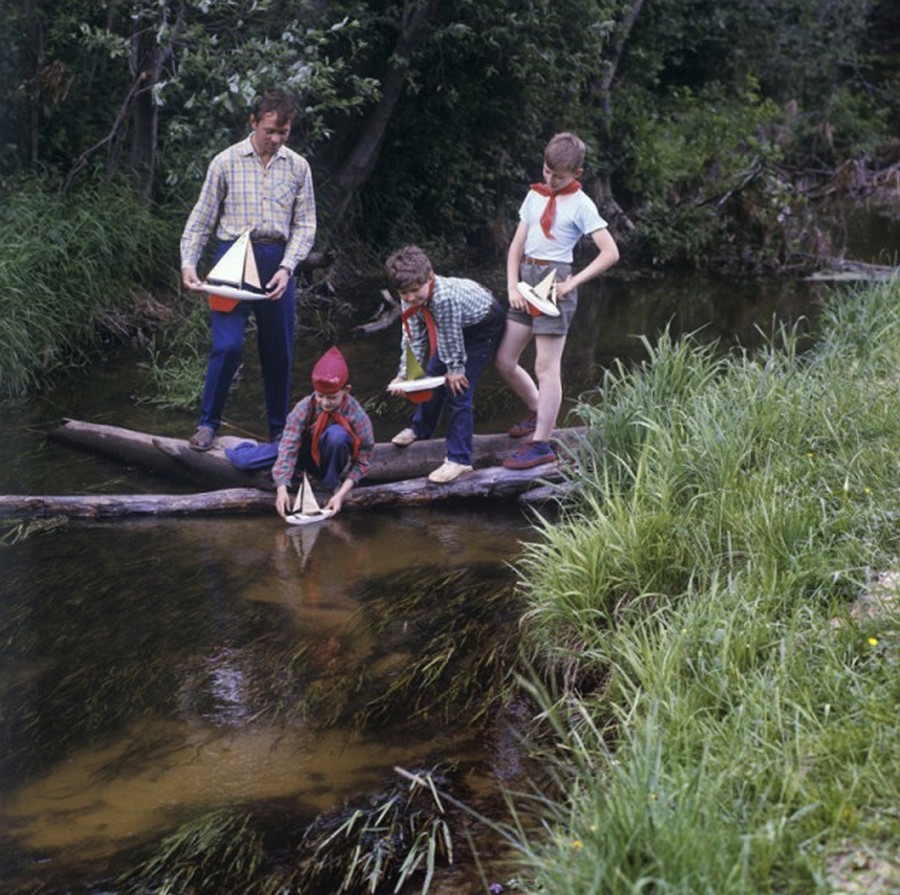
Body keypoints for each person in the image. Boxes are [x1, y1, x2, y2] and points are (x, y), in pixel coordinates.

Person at [180, 90, 316, 451]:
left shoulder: (298, 166)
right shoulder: (225, 162)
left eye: (283, 132)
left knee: (279, 351)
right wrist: (188, 262)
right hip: (232, 259)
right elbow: (201, 218)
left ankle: (278, 431)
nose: (276, 139)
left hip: (277, 261)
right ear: (253, 122)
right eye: (270, 130)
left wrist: (288, 267)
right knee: (227, 347)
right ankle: (207, 424)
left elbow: (305, 225)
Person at [496, 132, 619, 468]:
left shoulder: (581, 204)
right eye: (547, 172)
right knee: (505, 361)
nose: (550, 180)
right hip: (526, 281)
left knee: (546, 368)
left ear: (576, 174)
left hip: (555, 285)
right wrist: (512, 287)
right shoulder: (534, 196)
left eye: (559, 176)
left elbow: (610, 252)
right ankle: (538, 411)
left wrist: (572, 283)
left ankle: (542, 444)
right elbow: (516, 246)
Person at [386, 245, 505, 484]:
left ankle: (460, 459)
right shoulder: (410, 298)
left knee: (459, 390)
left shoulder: (444, 298)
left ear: (429, 277)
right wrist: (404, 376)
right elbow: (412, 337)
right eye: (404, 293)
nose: (410, 297)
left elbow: (450, 336)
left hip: (482, 325)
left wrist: (456, 370)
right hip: (455, 328)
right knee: (431, 375)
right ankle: (421, 429)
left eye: (415, 291)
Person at [272, 347, 374, 517]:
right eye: (320, 396)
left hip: (333, 459)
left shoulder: (356, 415)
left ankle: (330, 484)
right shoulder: (305, 407)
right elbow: (288, 447)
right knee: (248, 462)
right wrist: (282, 489)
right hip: (305, 457)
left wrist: (341, 493)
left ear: (346, 390)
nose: (325, 403)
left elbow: (363, 459)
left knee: (337, 436)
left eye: (332, 397)